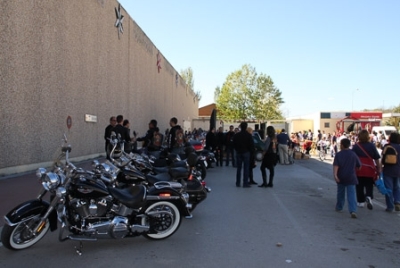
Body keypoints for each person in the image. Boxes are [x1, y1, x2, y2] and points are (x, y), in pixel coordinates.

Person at [352, 130, 381, 209]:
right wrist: (378, 168)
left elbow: (352, 157)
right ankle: (368, 196)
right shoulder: (371, 146)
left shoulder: (356, 146)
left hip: (359, 168)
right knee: (369, 185)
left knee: (359, 186)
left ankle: (360, 201)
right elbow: (377, 158)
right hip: (369, 168)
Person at [333, 138, 361, 218]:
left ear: (342, 145)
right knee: (351, 194)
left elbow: (336, 166)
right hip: (351, 176)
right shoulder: (353, 154)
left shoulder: (338, 154)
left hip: (341, 176)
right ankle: (353, 210)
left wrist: (335, 175)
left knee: (340, 193)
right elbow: (359, 166)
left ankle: (339, 207)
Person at [382, 132, 400, 212]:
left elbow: (383, 156)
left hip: (388, 170)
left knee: (389, 188)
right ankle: (397, 201)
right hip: (398, 170)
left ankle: (390, 206)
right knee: (397, 187)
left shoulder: (387, 146)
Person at [233, 122, 255, 188]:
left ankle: (238, 182)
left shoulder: (237, 135)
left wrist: (237, 149)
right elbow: (252, 145)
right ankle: (245, 183)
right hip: (246, 152)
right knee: (246, 168)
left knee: (239, 168)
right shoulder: (249, 135)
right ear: (246, 127)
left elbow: (234, 144)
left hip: (239, 152)